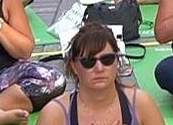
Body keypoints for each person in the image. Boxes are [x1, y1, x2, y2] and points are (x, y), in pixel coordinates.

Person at [37, 22, 165, 125]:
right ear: (74, 67)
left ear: (118, 61)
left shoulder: (141, 104)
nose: (99, 68)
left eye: (107, 59)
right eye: (89, 62)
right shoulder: (55, 114)